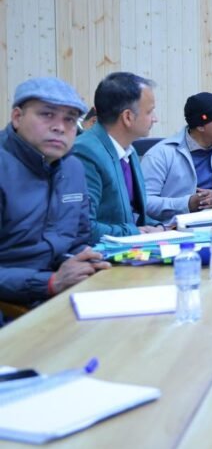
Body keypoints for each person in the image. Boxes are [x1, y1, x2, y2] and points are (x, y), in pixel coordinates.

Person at [0, 77, 109, 307]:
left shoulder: (73, 168)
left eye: (69, 119)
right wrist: (49, 282)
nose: (59, 127)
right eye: (47, 114)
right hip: (13, 303)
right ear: (17, 117)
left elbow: (78, 239)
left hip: (59, 291)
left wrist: (88, 261)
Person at [73, 72, 163, 243]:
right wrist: (134, 232)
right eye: (150, 112)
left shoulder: (129, 150)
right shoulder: (84, 152)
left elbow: (133, 215)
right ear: (128, 117)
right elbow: (83, 227)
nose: (155, 119)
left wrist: (160, 228)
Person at [141, 92, 212, 223]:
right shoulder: (160, 154)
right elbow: (145, 202)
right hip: (176, 228)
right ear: (200, 126)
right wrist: (187, 203)